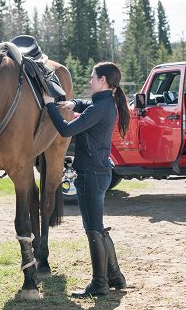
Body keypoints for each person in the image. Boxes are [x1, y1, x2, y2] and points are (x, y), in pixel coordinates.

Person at [43, 62, 130, 297]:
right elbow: (89, 106)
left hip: (90, 175)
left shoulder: (100, 108)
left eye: (92, 77)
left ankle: (99, 284)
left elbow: (66, 130)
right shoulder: (105, 103)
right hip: (100, 173)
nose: (89, 80)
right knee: (98, 227)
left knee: (93, 230)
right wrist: (74, 103)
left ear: (103, 80)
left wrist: (50, 105)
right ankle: (115, 276)